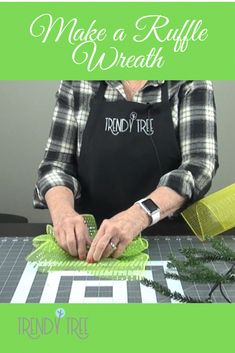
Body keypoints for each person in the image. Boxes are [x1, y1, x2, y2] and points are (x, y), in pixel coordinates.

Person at [33, 80, 218, 263]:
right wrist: (63, 213)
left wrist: (140, 214)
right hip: (91, 242)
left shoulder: (190, 80)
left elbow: (199, 165)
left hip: (167, 240)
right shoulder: (77, 80)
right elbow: (56, 164)